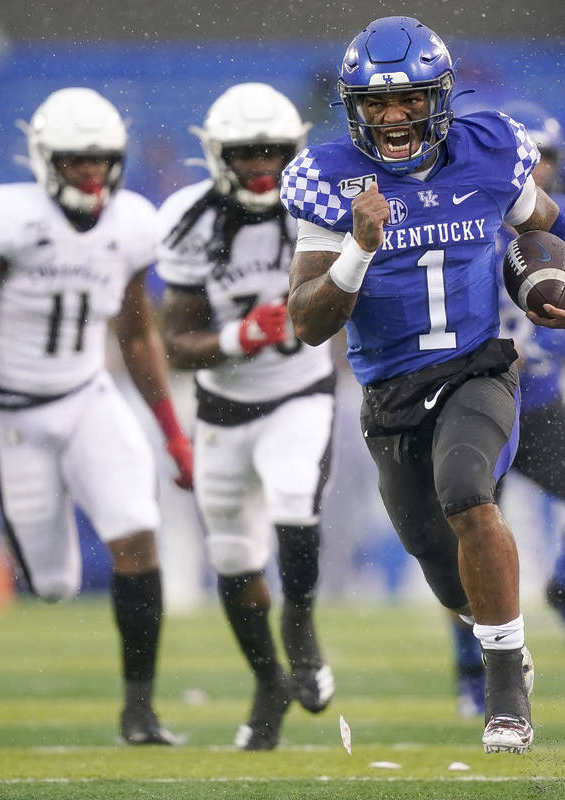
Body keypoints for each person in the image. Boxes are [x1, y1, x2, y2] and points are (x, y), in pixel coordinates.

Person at [280, 17, 565, 754]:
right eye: (376, 103)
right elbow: (306, 320)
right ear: (353, 106)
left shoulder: (490, 148)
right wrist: (356, 254)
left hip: (479, 366)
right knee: (435, 558)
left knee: (468, 490)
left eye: (408, 101)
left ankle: (506, 699)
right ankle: (502, 643)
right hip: (391, 391)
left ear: (441, 97)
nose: (393, 117)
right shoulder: (328, 177)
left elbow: (554, 223)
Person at [0, 87, 194, 746]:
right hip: (13, 416)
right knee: (54, 584)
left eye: (100, 160)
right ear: (45, 161)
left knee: (137, 529)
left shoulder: (130, 223)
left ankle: (140, 709)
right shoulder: (10, 222)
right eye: (76, 161)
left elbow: (135, 335)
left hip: (88, 396)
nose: (91, 174)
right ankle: (42, 564)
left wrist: (172, 432)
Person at [155, 83, 335, 751]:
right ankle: (268, 682)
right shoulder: (189, 220)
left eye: (274, 153)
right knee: (231, 556)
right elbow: (177, 343)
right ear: (216, 155)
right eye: (247, 153)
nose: (263, 167)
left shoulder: (320, 207)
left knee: (294, 499)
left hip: (299, 391)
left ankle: (304, 630)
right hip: (222, 408)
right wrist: (239, 337)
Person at [448, 103, 565, 718]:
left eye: (548, 158)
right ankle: (470, 664)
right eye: (533, 156)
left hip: (540, 402)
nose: (541, 168)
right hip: (472, 400)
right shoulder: (459, 211)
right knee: (466, 538)